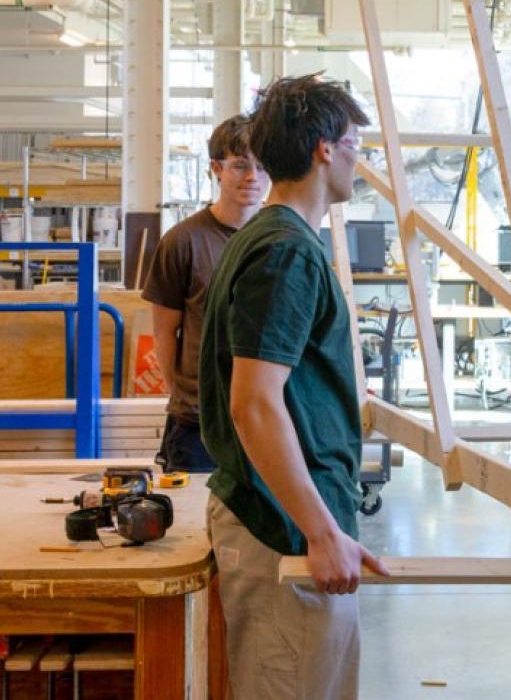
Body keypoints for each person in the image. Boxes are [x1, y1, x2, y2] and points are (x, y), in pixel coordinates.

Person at [198, 73, 387, 699]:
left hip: (292, 519)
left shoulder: (278, 238)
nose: (360, 157)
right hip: (280, 530)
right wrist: (321, 531)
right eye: (355, 142)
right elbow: (253, 402)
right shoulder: (286, 251)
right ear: (323, 149)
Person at [142, 114, 269, 473]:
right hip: (198, 425)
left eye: (261, 167)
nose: (252, 178)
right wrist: (186, 395)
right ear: (216, 167)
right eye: (240, 166)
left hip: (264, 417)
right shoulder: (183, 241)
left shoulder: (278, 240)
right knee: (189, 524)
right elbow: (165, 332)